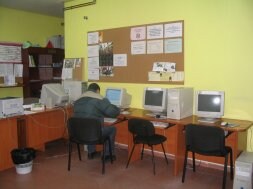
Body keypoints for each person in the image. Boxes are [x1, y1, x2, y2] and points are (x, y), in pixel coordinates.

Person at [73, 83, 120, 161]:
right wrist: (118, 109)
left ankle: (91, 152)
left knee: (89, 125)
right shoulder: (98, 99)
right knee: (112, 129)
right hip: (94, 133)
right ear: (97, 91)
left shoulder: (78, 100)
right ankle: (107, 155)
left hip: (79, 133)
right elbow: (113, 113)